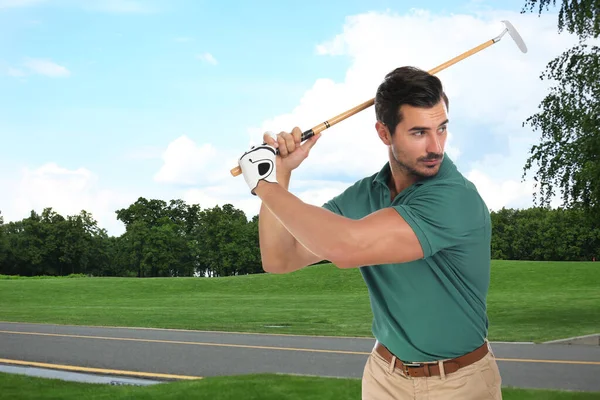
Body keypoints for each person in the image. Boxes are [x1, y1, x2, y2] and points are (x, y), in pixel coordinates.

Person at [237, 66, 502, 399]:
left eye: (442, 128)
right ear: (384, 133)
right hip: (384, 377)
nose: (436, 146)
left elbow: (347, 247)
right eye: (419, 132)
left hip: (459, 383)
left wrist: (265, 185)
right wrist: (282, 174)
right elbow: (280, 257)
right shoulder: (366, 194)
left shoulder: (454, 197)